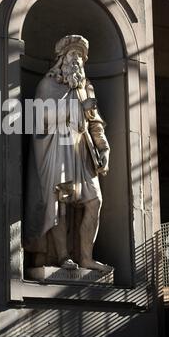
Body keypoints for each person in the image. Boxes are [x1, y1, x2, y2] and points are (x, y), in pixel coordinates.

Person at [24, 35, 111, 272]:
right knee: (61, 203)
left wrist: (104, 147)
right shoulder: (47, 85)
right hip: (59, 150)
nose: (77, 62)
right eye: (73, 56)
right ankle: (63, 257)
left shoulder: (86, 88)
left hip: (82, 152)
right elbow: (41, 119)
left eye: (81, 58)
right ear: (61, 59)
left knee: (95, 201)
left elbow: (95, 123)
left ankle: (86, 257)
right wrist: (73, 109)